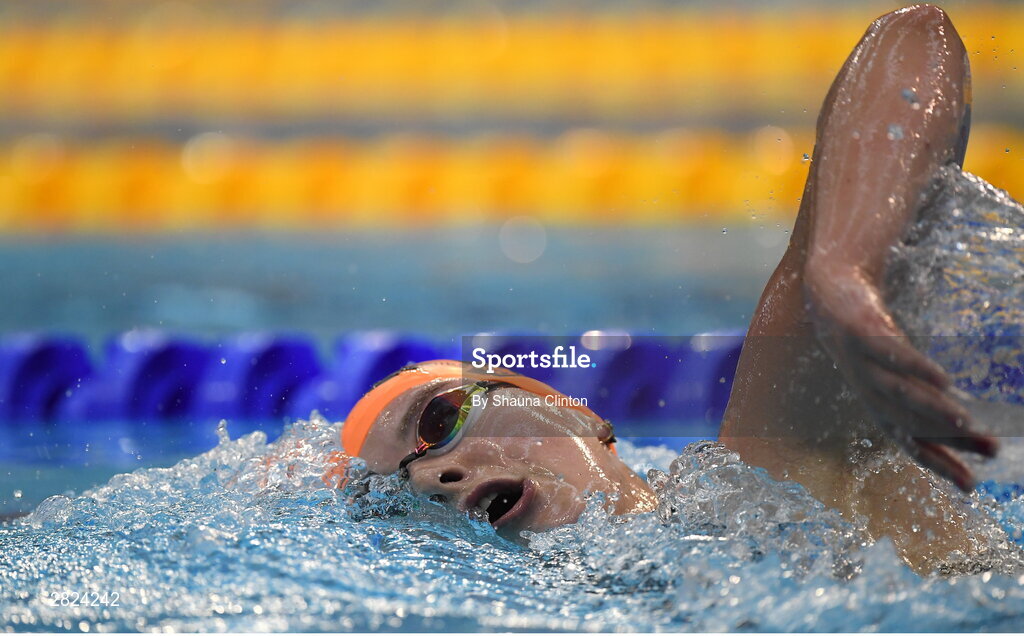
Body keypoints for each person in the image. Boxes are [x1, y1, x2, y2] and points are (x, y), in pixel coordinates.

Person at [332, 5, 1003, 574]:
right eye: (394, 498)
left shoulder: (773, 477)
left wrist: (842, 262)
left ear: (570, 409)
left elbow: (915, 40)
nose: (429, 478)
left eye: (437, 421)